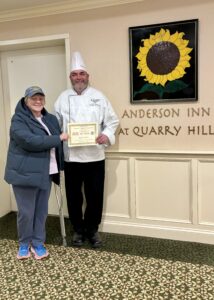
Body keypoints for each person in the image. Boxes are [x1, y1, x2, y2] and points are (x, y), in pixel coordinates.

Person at [54, 52, 119, 248]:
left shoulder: (99, 97)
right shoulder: (62, 98)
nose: (79, 77)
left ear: (87, 76)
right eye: (75, 74)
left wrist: (106, 135)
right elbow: (55, 125)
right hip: (71, 157)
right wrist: (60, 136)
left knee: (95, 195)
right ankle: (78, 229)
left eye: (82, 73)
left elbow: (112, 121)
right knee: (74, 196)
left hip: (94, 156)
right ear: (70, 77)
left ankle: (92, 229)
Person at [4, 86, 68, 260]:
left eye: (41, 98)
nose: (38, 101)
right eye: (34, 98)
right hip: (24, 174)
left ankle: (38, 243)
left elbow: (60, 141)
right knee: (26, 212)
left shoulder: (51, 119)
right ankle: (24, 243)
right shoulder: (18, 119)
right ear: (26, 101)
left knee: (41, 211)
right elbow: (29, 141)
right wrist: (59, 138)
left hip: (46, 172)